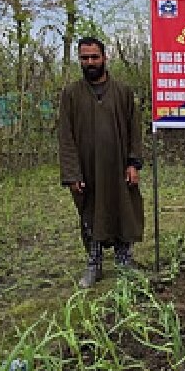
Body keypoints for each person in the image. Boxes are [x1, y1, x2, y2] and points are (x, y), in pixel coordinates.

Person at [58, 37, 144, 287]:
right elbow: (66, 136)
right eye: (85, 58)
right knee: (90, 214)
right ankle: (94, 264)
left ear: (104, 58)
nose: (90, 62)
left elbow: (134, 130)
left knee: (123, 209)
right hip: (87, 169)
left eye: (94, 57)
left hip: (118, 166)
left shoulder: (123, 92)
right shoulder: (71, 94)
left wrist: (133, 163)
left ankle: (124, 260)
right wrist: (72, 174)